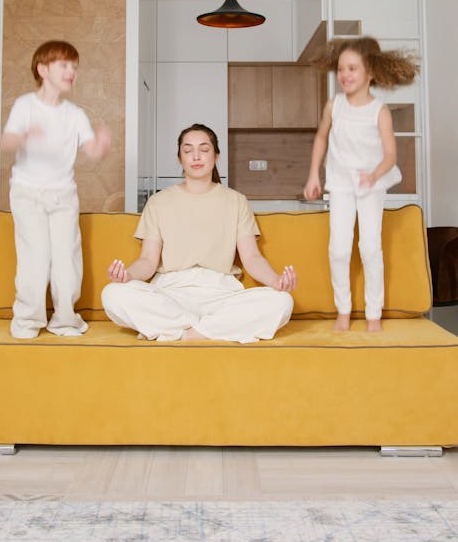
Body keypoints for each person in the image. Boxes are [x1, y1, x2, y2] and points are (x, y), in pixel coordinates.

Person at [102, 123, 297, 343]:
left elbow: (252, 258)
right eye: (188, 150)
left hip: (221, 294)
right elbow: (147, 260)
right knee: (112, 294)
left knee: (282, 301)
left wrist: (276, 281)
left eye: (204, 150)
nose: (196, 156)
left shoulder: (236, 201)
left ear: (216, 156)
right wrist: (126, 276)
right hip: (170, 294)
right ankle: (209, 329)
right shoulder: (158, 202)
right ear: (179, 158)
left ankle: (181, 332)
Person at [304, 36, 419, 332]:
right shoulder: (335, 105)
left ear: (370, 72)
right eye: (341, 69)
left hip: (372, 184)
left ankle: (373, 314)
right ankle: (343, 310)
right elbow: (321, 138)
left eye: (352, 68)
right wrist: (314, 174)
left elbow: (391, 155)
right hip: (341, 184)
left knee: (369, 248)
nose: (345, 75)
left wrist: (373, 175)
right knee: (338, 249)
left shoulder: (379, 111)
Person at [0, 40, 111, 339]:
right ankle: (26, 321)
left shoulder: (75, 113)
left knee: (66, 259)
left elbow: (91, 151)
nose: (71, 71)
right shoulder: (25, 106)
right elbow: (6, 143)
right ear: (43, 69)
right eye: (64, 65)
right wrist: (23, 135)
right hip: (27, 193)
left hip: (63, 195)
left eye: (74, 66)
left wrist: (100, 145)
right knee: (35, 258)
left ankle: (65, 320)